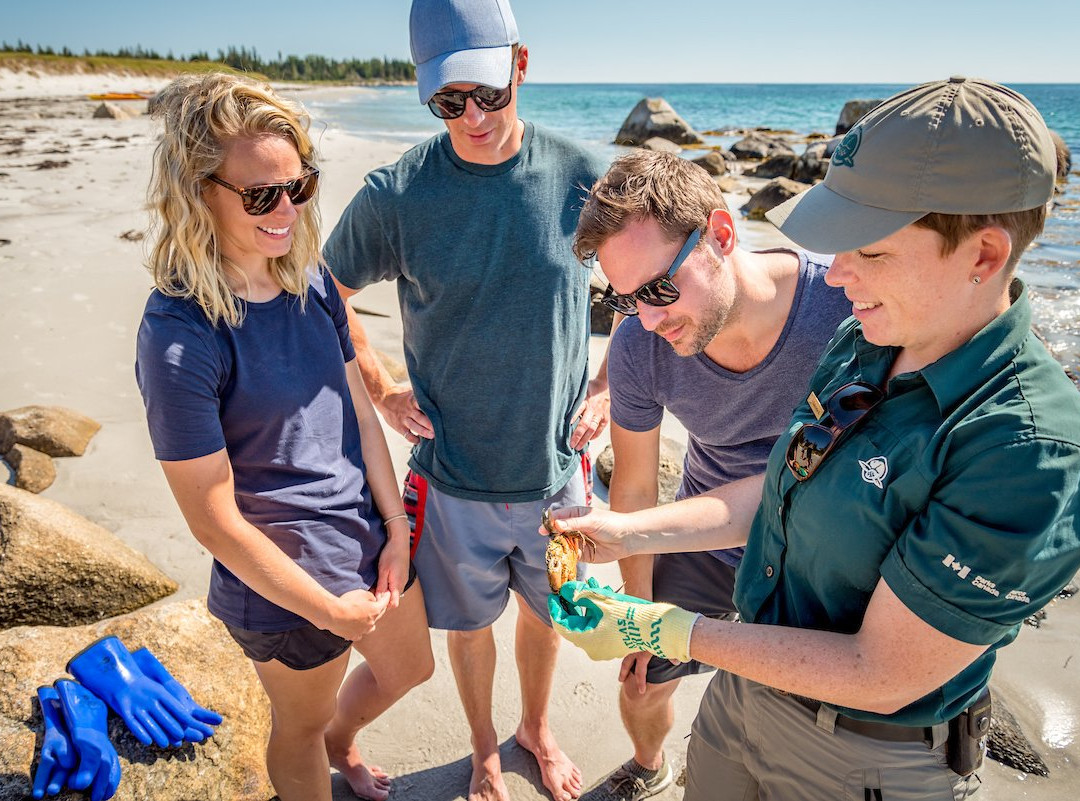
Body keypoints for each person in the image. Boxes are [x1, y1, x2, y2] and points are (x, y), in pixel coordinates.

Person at [546, 77, 1080, 800]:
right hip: (748, 694)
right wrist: (628, 534)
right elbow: (774, 493)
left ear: (984, 257)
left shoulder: (1027, 446)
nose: (842, 272)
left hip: (866, 757)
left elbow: (882, 672)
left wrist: (665, 629)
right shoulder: (865, 339)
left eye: (871, 250)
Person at [321, 2, 610, 799]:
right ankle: (486, 745)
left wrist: (616, 385)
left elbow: (657, 286)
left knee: (551, 615)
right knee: (472, 623)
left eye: (486, 91)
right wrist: (378, 387)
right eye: (450, 102)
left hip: (558, 471)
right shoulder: (398, 194)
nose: (472, 117)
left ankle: (536, 728)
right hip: (453, 478)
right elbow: (322, 291)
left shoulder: (583, 176)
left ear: (520, 64)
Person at [135, 73, 433, 801]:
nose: (287, 211)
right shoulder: (179, 334)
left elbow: (358, 410)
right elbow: (213, 520)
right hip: (284, 592)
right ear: (200, 190)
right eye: (261, 195)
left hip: (369, 543)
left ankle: (345, 740)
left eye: (298, 188)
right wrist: (326, 608)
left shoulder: (313, 283)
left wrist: (395, 525)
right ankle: (325, 746)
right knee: (296, 732)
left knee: (412, 668)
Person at [570, 149, 849, 800]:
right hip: (701, 532)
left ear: (721, 235)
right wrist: (638, 613)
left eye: (660, 289)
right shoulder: (640, 345)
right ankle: (649, 763)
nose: (647, 318)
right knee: (642, 683)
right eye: (625, 296)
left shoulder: (844, 306)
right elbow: (635, 491)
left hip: (822, 548)